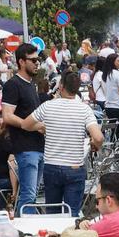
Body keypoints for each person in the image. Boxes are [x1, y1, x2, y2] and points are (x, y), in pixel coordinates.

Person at [30, 69, 104, 217]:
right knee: (72, 213)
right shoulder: (84, 109)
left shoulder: (48, 106)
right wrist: (95, 145)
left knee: (53, 213)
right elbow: (99, 137)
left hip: (51, 165)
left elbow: (26, 124)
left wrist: (43, 127)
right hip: (74, 166)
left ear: (61, 86)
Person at [0, 45, 47, 207]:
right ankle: (24, 232)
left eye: (38, 60)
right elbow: (7, 115)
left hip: (38, 146)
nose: (37, 63)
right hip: (26, 147)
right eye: (33, 60)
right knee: (28, 196)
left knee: (31, 195)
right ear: (21, 61)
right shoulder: (13, 84)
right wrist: (30, 126)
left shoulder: (31, 84)